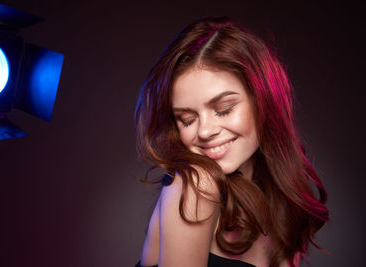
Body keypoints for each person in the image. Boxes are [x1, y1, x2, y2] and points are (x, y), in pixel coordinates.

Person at [134, 16, 329, 267]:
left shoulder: (284, 202)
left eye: (224, 109)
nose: (204, 131)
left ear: (263, 102)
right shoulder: (196, 184)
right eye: (187, 118)